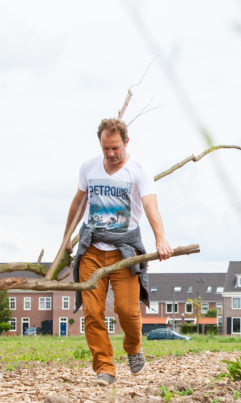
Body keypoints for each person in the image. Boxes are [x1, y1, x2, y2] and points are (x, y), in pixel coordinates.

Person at [62, 118, 173, 386]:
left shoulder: (138, 171)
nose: (111, 154)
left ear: (126, 141)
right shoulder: (88, 167)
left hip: (125, 252)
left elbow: (150, 206)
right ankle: (105, 368)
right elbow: (78, 202)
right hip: (91, 249)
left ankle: (133, 348)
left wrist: (161, 239)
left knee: (127, 310)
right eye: (105, 149)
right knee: (92, 312)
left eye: (115, 148)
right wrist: (67, 236)